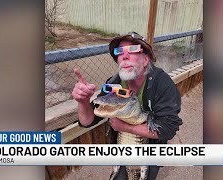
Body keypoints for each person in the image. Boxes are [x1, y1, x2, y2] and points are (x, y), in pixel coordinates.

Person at [71, 32, 183, 180]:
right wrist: (83, 101)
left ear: (145, 60)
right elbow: (88, 121)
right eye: (119, 52)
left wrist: (126, 127)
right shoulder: (113, 84)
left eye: (132, 50)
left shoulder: (162, 83)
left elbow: (168, 129)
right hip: (122, 146)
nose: (124, 56)